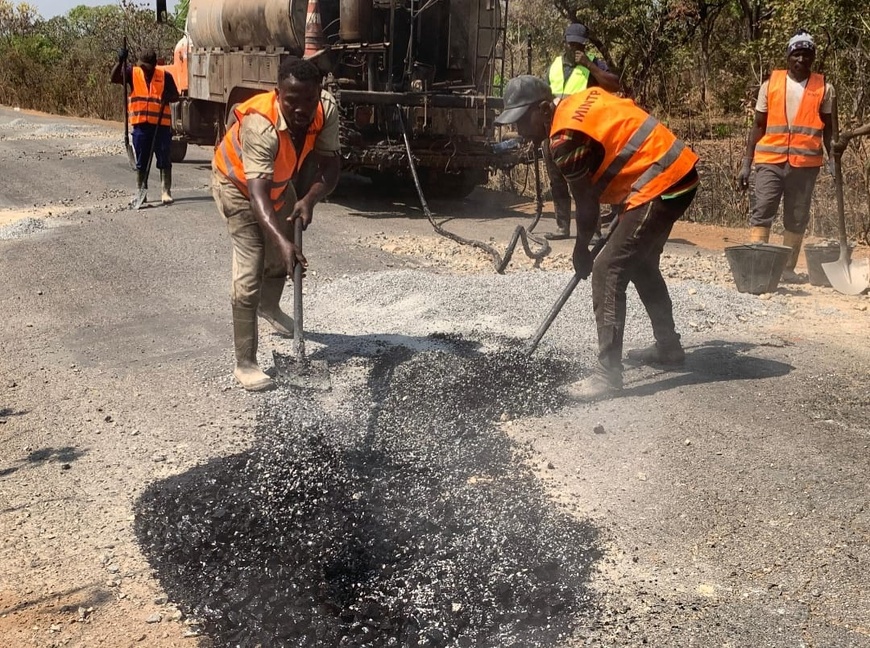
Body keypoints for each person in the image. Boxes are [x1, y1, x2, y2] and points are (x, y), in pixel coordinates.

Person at [495, 76, 700, 402]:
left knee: (607, 270)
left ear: (544, 108)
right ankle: (669, 348)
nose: (519, 130)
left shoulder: (563, 139)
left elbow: (586, 203)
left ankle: (608, 374)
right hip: (669, 172)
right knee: (641, 263)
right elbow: (621, 142)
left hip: (663, 182)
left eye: (522, 120)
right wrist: (621, 205)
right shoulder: (579, 101)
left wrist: (582, 249)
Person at [212, 56, 340, 391]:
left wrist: (308, 200)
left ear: (319, 93)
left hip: (280, 185)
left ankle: (269, 307)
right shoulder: (260, 125)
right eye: (291, 101)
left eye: (308, 100)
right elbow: (257, 195)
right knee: (252, 263)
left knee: (284, 257)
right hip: (238, 187)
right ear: (278, 93)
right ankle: (245, 363)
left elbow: (330, 167)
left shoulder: (326, 109)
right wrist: (282, 242)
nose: (301, 109)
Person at [737, 30, 835, 283]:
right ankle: (757, 265)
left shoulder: (825, 88)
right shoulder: (770, 85)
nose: (801, 59)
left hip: (805, 164)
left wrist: (834, 161)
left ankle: (786, 269)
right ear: (788, 56)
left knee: (797, 215)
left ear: (813, 58)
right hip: (770, 160)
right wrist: (746, 164)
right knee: (763, 210)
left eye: (806, 54)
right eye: (797, 54)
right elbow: (758, 126)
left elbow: (830, 130)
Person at [542, 23, 620, 240]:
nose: (574, 47)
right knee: (556, 180)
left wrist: (589, 65)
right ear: (564, 42)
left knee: (586, 183)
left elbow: (615, 85)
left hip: (583, 136)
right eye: (571, 43)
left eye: (579, 44)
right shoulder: (554, 66)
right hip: (554, 132)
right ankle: (562, 227)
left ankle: (592, 230)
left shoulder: (593, 64)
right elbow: (542, 92)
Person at [111, 48, 179, 204]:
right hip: (141, 126)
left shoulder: (164, 76)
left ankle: (165, 191)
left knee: (164, 157)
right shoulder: (132, 73)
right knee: (142, 160)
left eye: (147, 67)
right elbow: (114, 78)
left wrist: (169, 96)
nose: (144, 70)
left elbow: (175, 95)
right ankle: (142, 192)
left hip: (161, 125)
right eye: (142, 66)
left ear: (154, 65)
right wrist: (120, 61)